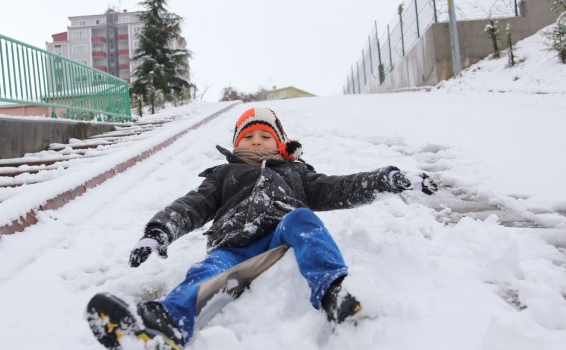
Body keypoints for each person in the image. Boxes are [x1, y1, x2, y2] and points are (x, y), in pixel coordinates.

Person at [86, 107, 438, 349]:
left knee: (304, 220)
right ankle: (168, 319)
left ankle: (334, 291)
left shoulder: (298, 173)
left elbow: (340, 187)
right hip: (233, 243)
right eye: (249, 135)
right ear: (237, 142)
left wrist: (386, 180)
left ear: (281, 142)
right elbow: (191, 206)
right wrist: (158, 231)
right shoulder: (224, 175)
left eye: (265, 136)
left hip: (283, 233)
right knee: (207, 270)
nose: (256, 140)